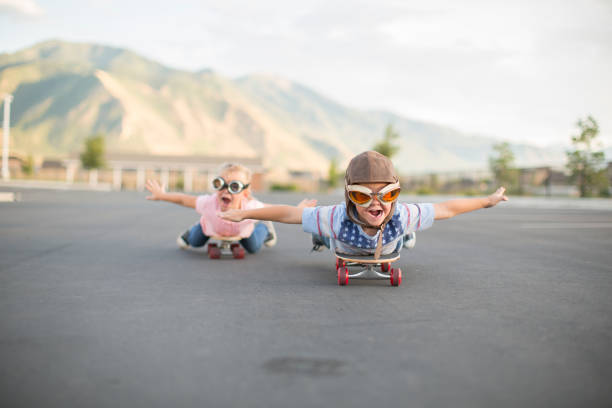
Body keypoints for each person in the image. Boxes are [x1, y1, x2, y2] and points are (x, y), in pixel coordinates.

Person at [219, 151, 508, 259]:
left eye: (386, 194)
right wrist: (245, 213)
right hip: (342, 242)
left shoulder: (402, 214)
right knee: (316, 224)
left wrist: (487, 201)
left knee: (404, 229)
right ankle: (320, 234)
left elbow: (447, 209)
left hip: (391, 239)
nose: (375, 203)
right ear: (349, 197)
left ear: (396, 193)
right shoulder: (336, 216)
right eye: (361, 196)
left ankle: (406, 235)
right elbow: (288, 213)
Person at [145, 162, 278, 254]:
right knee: (195, 242)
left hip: (241, 232)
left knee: (253, 248)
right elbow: (184, 199)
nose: (226, 190)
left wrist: (298, 212)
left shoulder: (250, 206)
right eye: (220, 184)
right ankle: (191, 232)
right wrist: (162, 195)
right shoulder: (209, 203)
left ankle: (266, 229)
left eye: (234, 186)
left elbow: (274, 211)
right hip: (211, 226)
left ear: (245, 192)